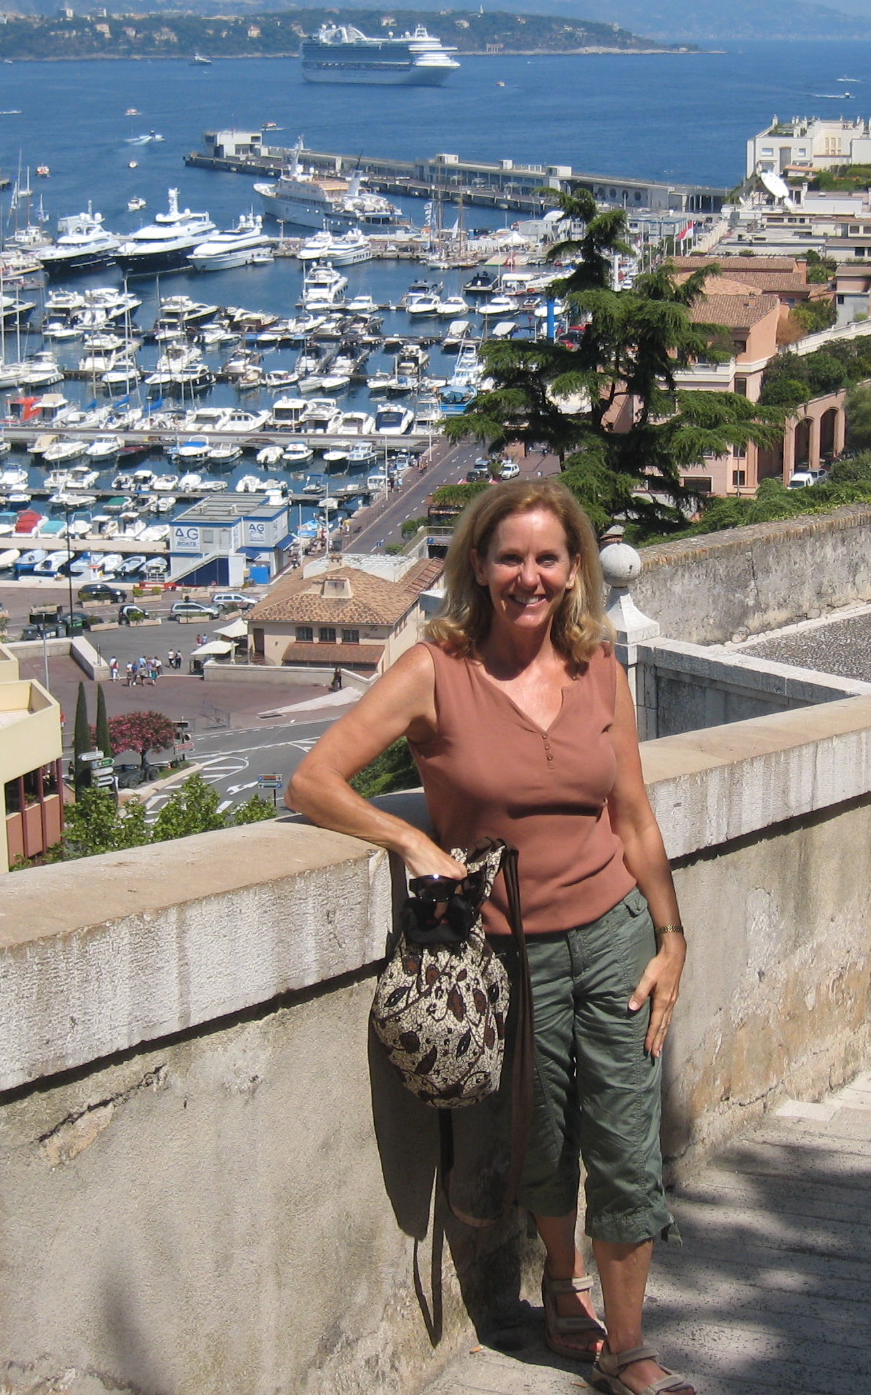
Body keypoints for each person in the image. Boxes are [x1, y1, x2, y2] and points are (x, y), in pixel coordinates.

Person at [289, 479, 696, 1395]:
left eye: (548, 558)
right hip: (511, 954)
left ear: (575, 568)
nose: (529, 577)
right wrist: (413, 842)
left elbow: (633, 818)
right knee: (543, 1141)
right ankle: (562, 1281)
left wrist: (672, 936)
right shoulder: (436, 672)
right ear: (477, 563)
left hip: (617, 937)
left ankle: (629, 1348)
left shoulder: (600, 670)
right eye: (511, 558)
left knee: (626, 1143)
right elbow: (313, 782)